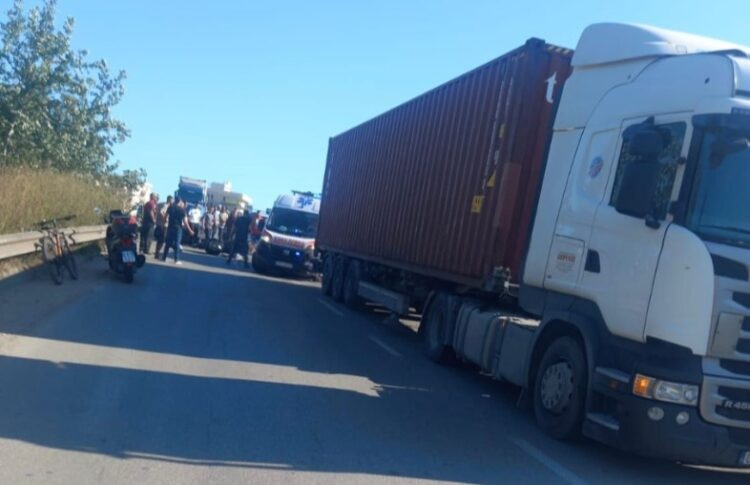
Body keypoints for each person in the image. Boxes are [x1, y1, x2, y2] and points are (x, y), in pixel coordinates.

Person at [162, 197, 194, 264]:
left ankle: (164, 257)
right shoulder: (182, 210)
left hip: (170, 227)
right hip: (178, 228)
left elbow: (165, 216)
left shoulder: (170, 207)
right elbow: (185, 222)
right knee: (177, 243)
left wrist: (164, 222)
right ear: (179, 202)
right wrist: (190, 230)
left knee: (168, 242)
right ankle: (176, 259)